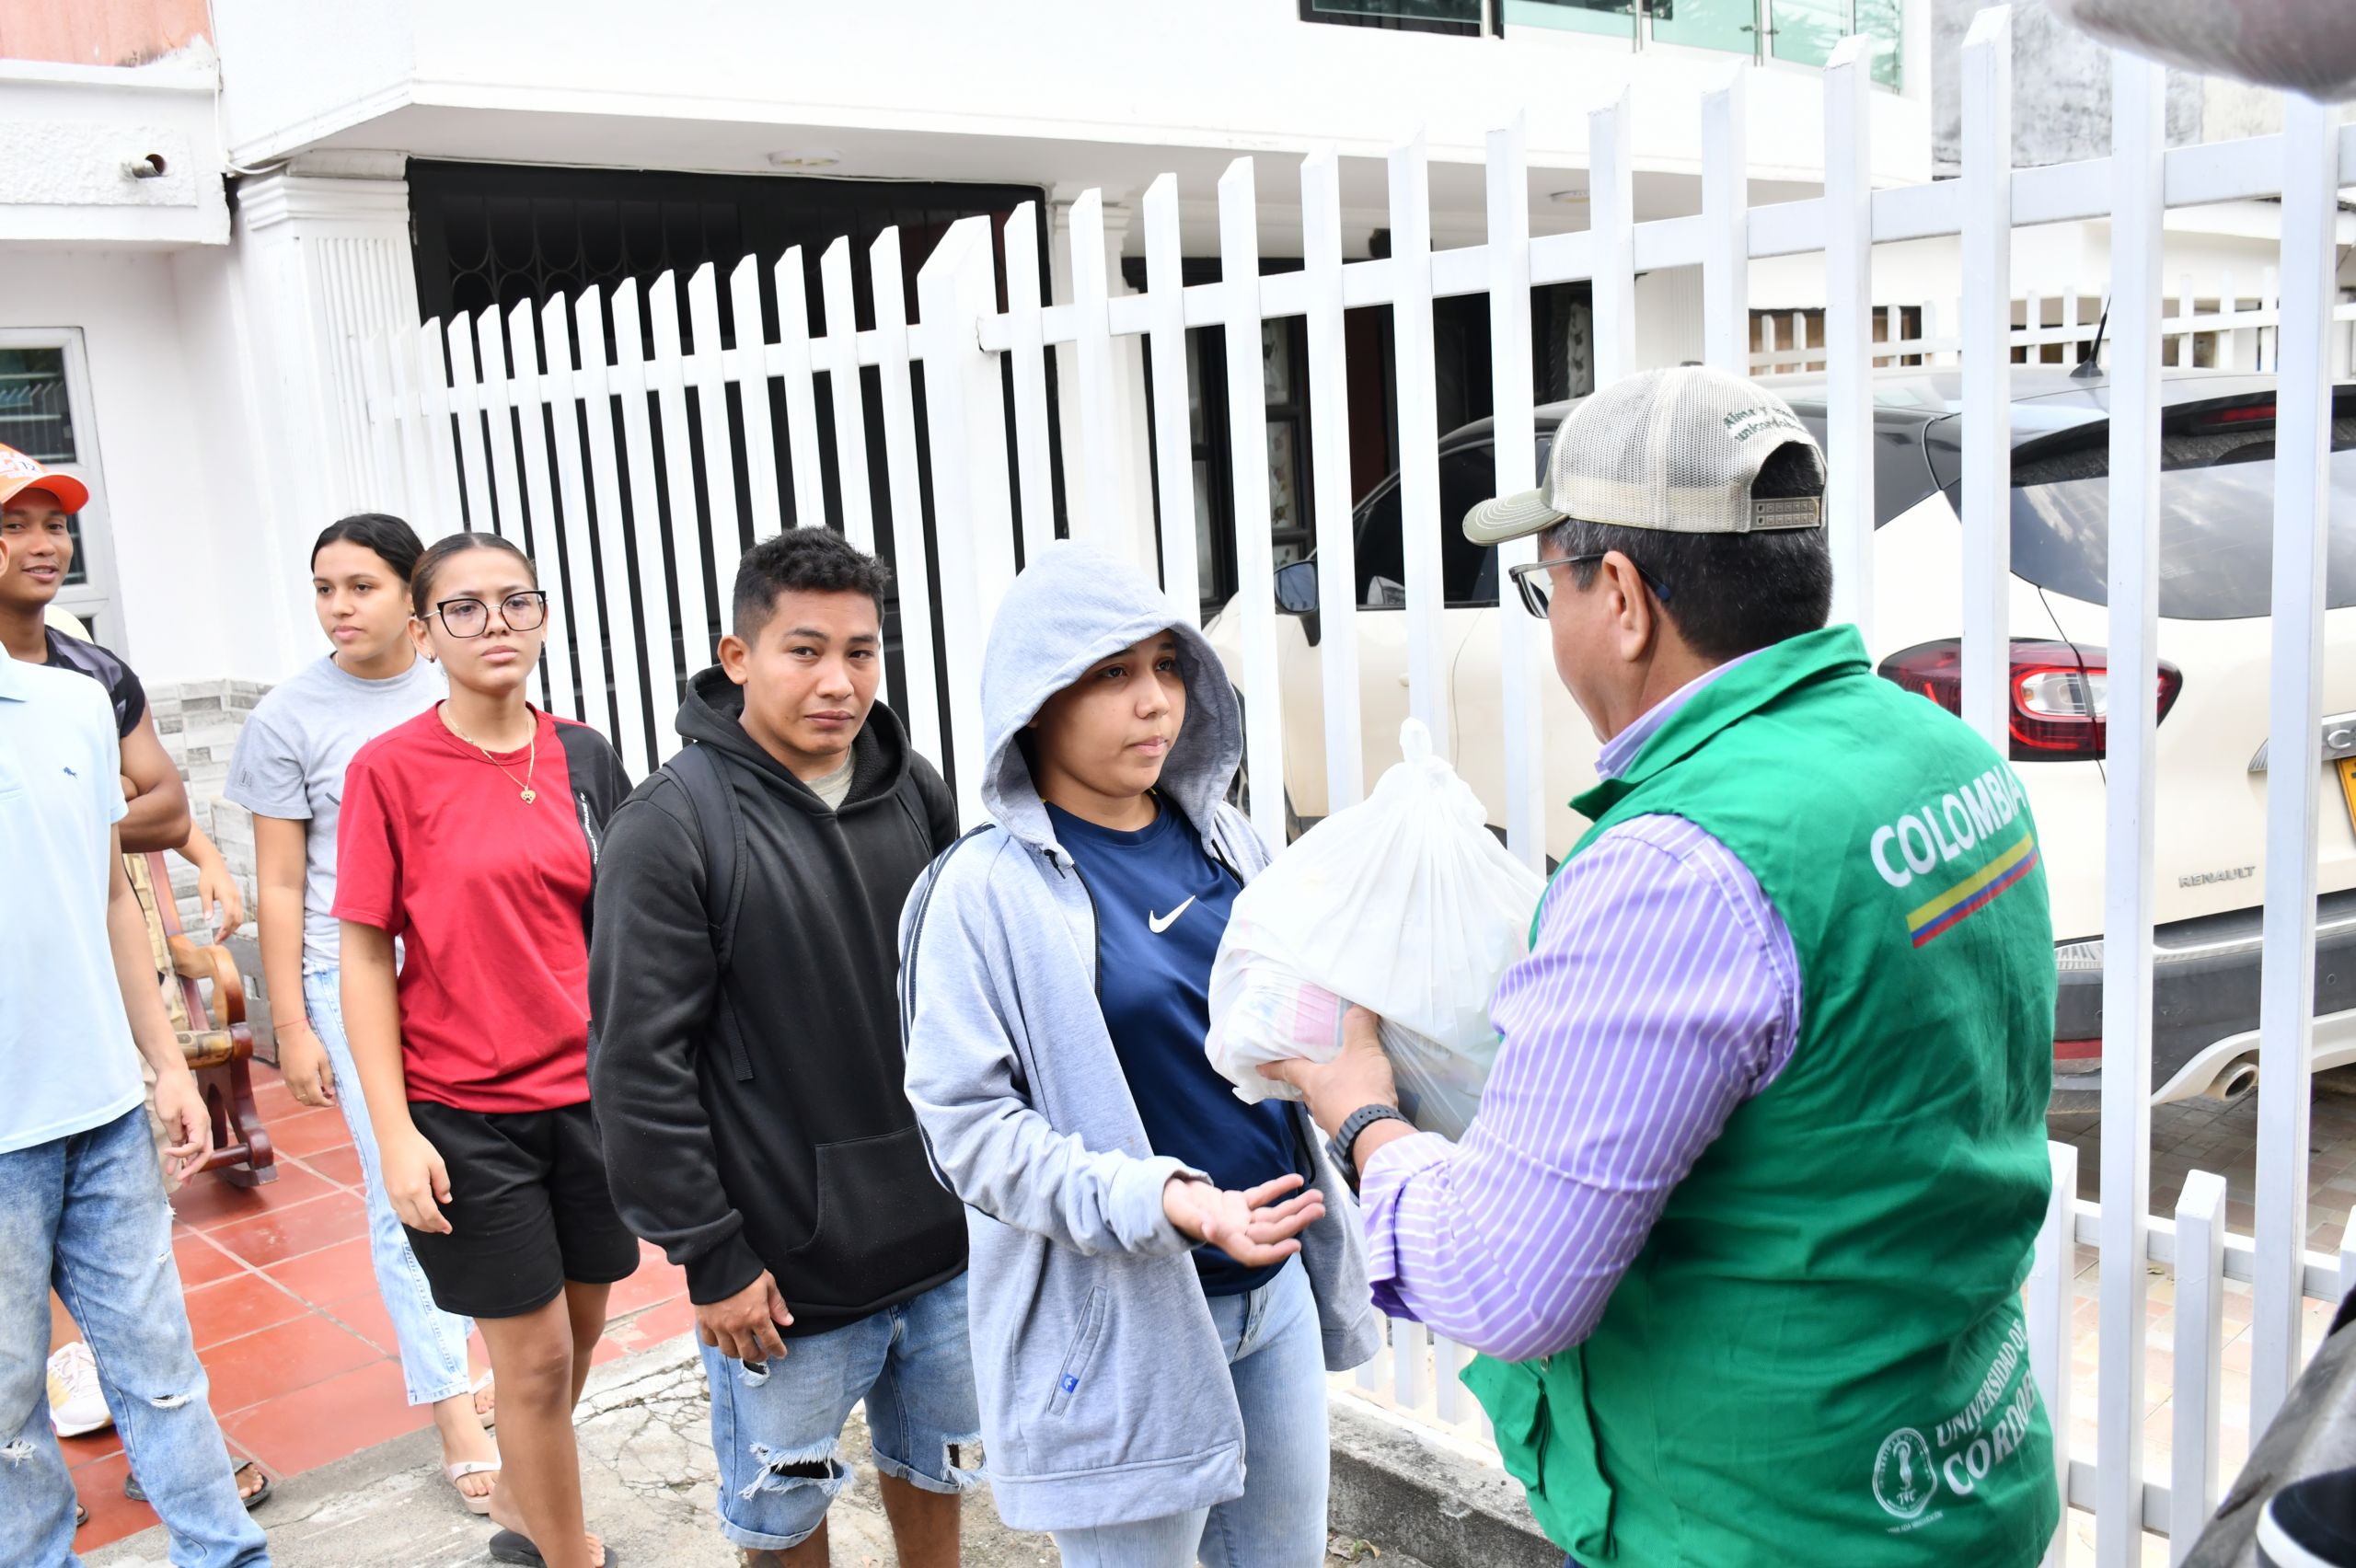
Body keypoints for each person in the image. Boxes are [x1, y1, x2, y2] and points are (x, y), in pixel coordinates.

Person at [1265, 368, 2061, 1567]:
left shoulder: (1682, 865)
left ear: (1624, 599)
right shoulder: (1942, 755)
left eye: (1550, 588)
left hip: (1771, 1530)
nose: (1557, 625)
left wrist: (1358, 1104)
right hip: (1962, 1483)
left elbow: (1500, 1286)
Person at [899, 541, 1380, 1568]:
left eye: (1166, 666)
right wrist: (1164, 1202)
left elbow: (1290, 1036)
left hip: (1272, 1290)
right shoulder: (979, 894)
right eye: (1111, 674)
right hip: (1115, 1325)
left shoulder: (1232, 846)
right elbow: (969, 1136)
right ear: (1036, 698)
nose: (1153, 701)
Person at [591, 528, 972, 1567]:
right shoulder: (671, 826)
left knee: (938, 1469)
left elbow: (961, 997)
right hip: (782, 1272)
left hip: (942, 1241)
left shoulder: (915, 788)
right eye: (804, 650)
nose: (839, 681)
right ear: (737, 655)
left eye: (861, 652)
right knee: (783, 1510)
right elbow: (637, 1067)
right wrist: (711, 1254)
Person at [336, 532, 636, 1568]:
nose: (495, 625)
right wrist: (394, 1136)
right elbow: (366, 956)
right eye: (463, 609)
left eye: (517, 602)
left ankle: (517, 1498)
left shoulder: (587, 755)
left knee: (582, 1335)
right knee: (538, 1359)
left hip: (592, 1103)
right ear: (424, 634)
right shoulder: (388, 770)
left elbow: (633, 927)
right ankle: (568, 1553)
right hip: (464, 1113)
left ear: (544, 616)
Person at [6, 444, 273, 1516]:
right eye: (9, 525)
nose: (39, 544)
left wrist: (163, 1063)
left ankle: (221, 1539)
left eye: (52, 522)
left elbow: (134, 854)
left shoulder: (81, 690)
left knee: (159, 1360)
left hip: (103, 1092)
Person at [223, 513, 503, 1515]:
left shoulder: (463, 679)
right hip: (359, 982)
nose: (338, 608)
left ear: (413, 596)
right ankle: (452, 1411)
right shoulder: (290, 717)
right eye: (323, 588)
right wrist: (293, 1025)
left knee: (489, 1169)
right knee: (405, 1188)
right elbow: (285, 881)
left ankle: (496, 1353)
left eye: (361, 587)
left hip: (472, 975)